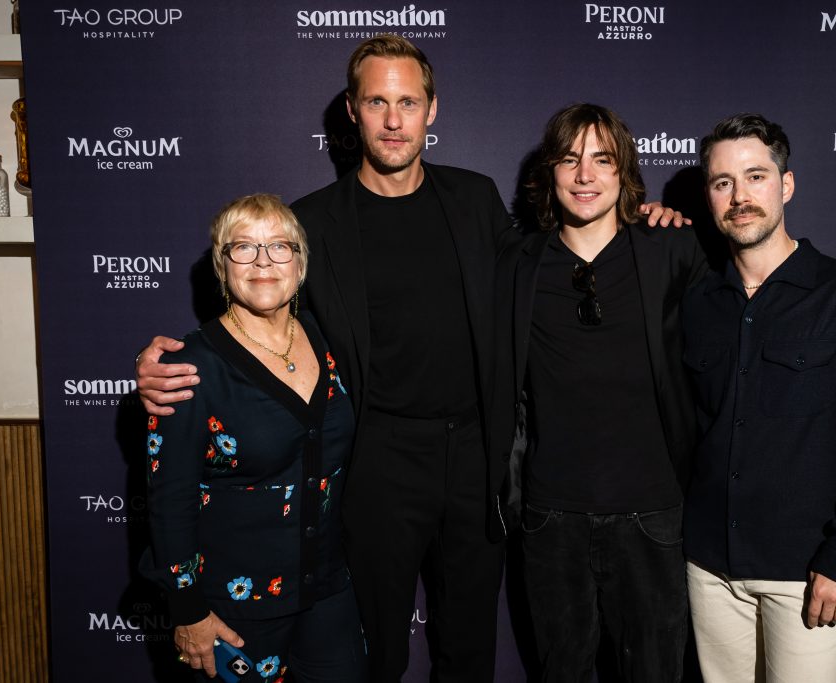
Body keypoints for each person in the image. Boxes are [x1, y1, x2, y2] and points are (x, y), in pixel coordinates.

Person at [136, 37, 683, 682]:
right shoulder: (314, 221)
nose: (394, 120)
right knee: (378, 654)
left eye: (408, 102)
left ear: (432, 110)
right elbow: (260, 302)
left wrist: (644, 220)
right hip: (376, 462)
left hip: (475, 460)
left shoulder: (475, 200)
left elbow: (556, 262)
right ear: (352, 111)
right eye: (377, 102)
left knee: (468, 649)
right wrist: (172, 359)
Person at [681, 113, 836, 683]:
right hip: (708, 566)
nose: (740, 197)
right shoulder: (696, 301)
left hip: (807, 573)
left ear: (786, 185)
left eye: (756, 177)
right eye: (722, 182)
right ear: (709, 197)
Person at [491, 103, 707, 682]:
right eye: (569, 159)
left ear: (623, 173)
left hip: (653, 514)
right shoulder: (516, 263)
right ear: (550, 174)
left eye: (601, 159)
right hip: (550, 518)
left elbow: (756, 298)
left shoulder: (673, 250)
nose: (585, 175)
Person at [143, 193, 367, 682]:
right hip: (234, 610)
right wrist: (188, 610)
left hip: (327, 592)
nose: (263, 261)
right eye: (243, 247)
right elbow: (170, 498)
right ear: (223, 266)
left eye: (280, 247)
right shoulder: (188, 367)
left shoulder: (324, 334)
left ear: (300, 264)